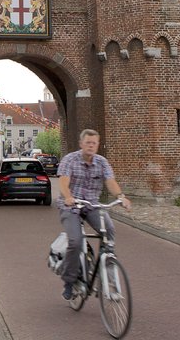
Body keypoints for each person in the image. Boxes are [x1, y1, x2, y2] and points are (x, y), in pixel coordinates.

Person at [56, 129, 131, 301]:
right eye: (88, 142)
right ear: (81, 144)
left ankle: (108, 264)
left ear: (97, 144)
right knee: (75, 241)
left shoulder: (101, 162)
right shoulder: (70, 160)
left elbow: (110, 182)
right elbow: (63, 182)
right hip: (71, 206)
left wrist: (121, 197)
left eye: (94, 143)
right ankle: (69, 281)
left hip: (92, 205)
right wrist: (68, 197)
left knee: (109, 230)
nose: (91, 145)